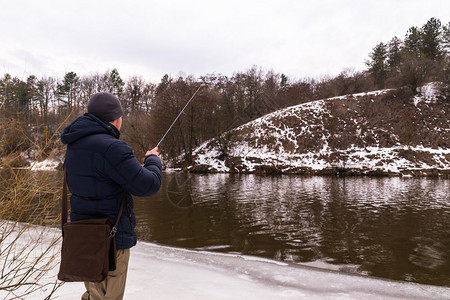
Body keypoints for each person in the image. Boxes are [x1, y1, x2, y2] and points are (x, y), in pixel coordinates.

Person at [61, 92, 162, 300]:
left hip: (85, 237)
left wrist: (132, 170)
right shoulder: (113, 148)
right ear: (115, 118)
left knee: (94, 294)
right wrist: (153, 161)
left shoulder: (74, 146)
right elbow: (148, 186)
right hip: (111, 240)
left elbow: (98, 180)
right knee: (108, 297)